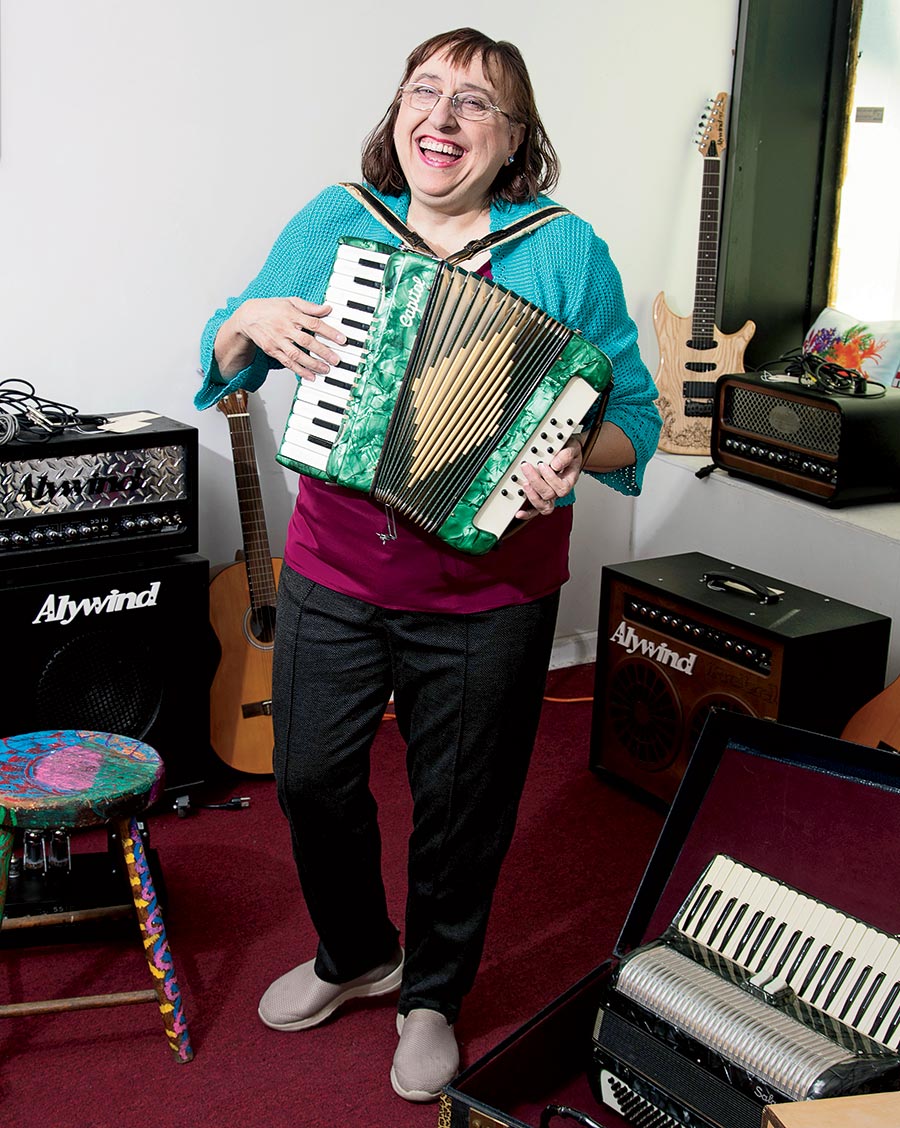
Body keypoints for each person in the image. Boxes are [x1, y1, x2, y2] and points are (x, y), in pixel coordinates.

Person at [196, 27, 661, 1104]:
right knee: (310, 778)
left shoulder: (563, 250)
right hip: (333, 569)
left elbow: (638, 417)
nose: (442, 119)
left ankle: (432, 998)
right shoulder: (336, 223)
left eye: (476, 105)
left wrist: (568, 452)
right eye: (425, 92)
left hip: (488, 591)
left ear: (514, 145)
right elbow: (225, 345)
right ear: (397, 113)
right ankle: (359, 952)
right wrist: (248, 319)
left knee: (465, 804)